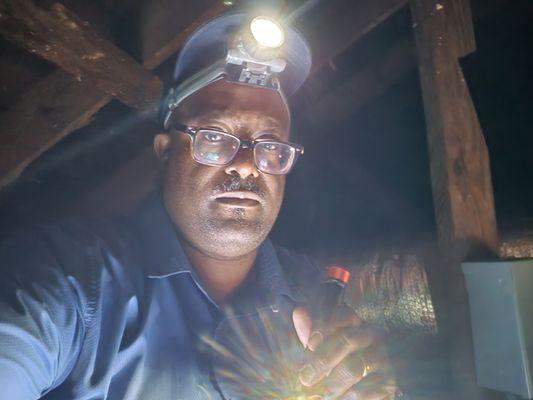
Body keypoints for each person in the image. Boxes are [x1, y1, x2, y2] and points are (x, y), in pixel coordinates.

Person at [0, 12, 398, 400]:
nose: (246, 165)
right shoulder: (68, 277)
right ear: (166, 151)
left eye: (270, 146)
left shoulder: (314, 295)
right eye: (214, 137)